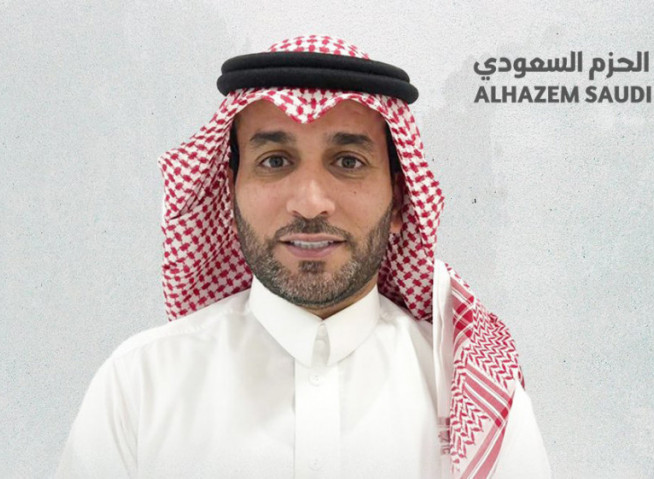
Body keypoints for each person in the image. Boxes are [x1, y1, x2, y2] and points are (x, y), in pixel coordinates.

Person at [57, 35, 550, 479]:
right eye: (275, 161)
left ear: (401, 199)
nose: (310, 203)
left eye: (348, 162)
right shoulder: (139, 384)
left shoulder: (478, 396)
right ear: (229, 192)